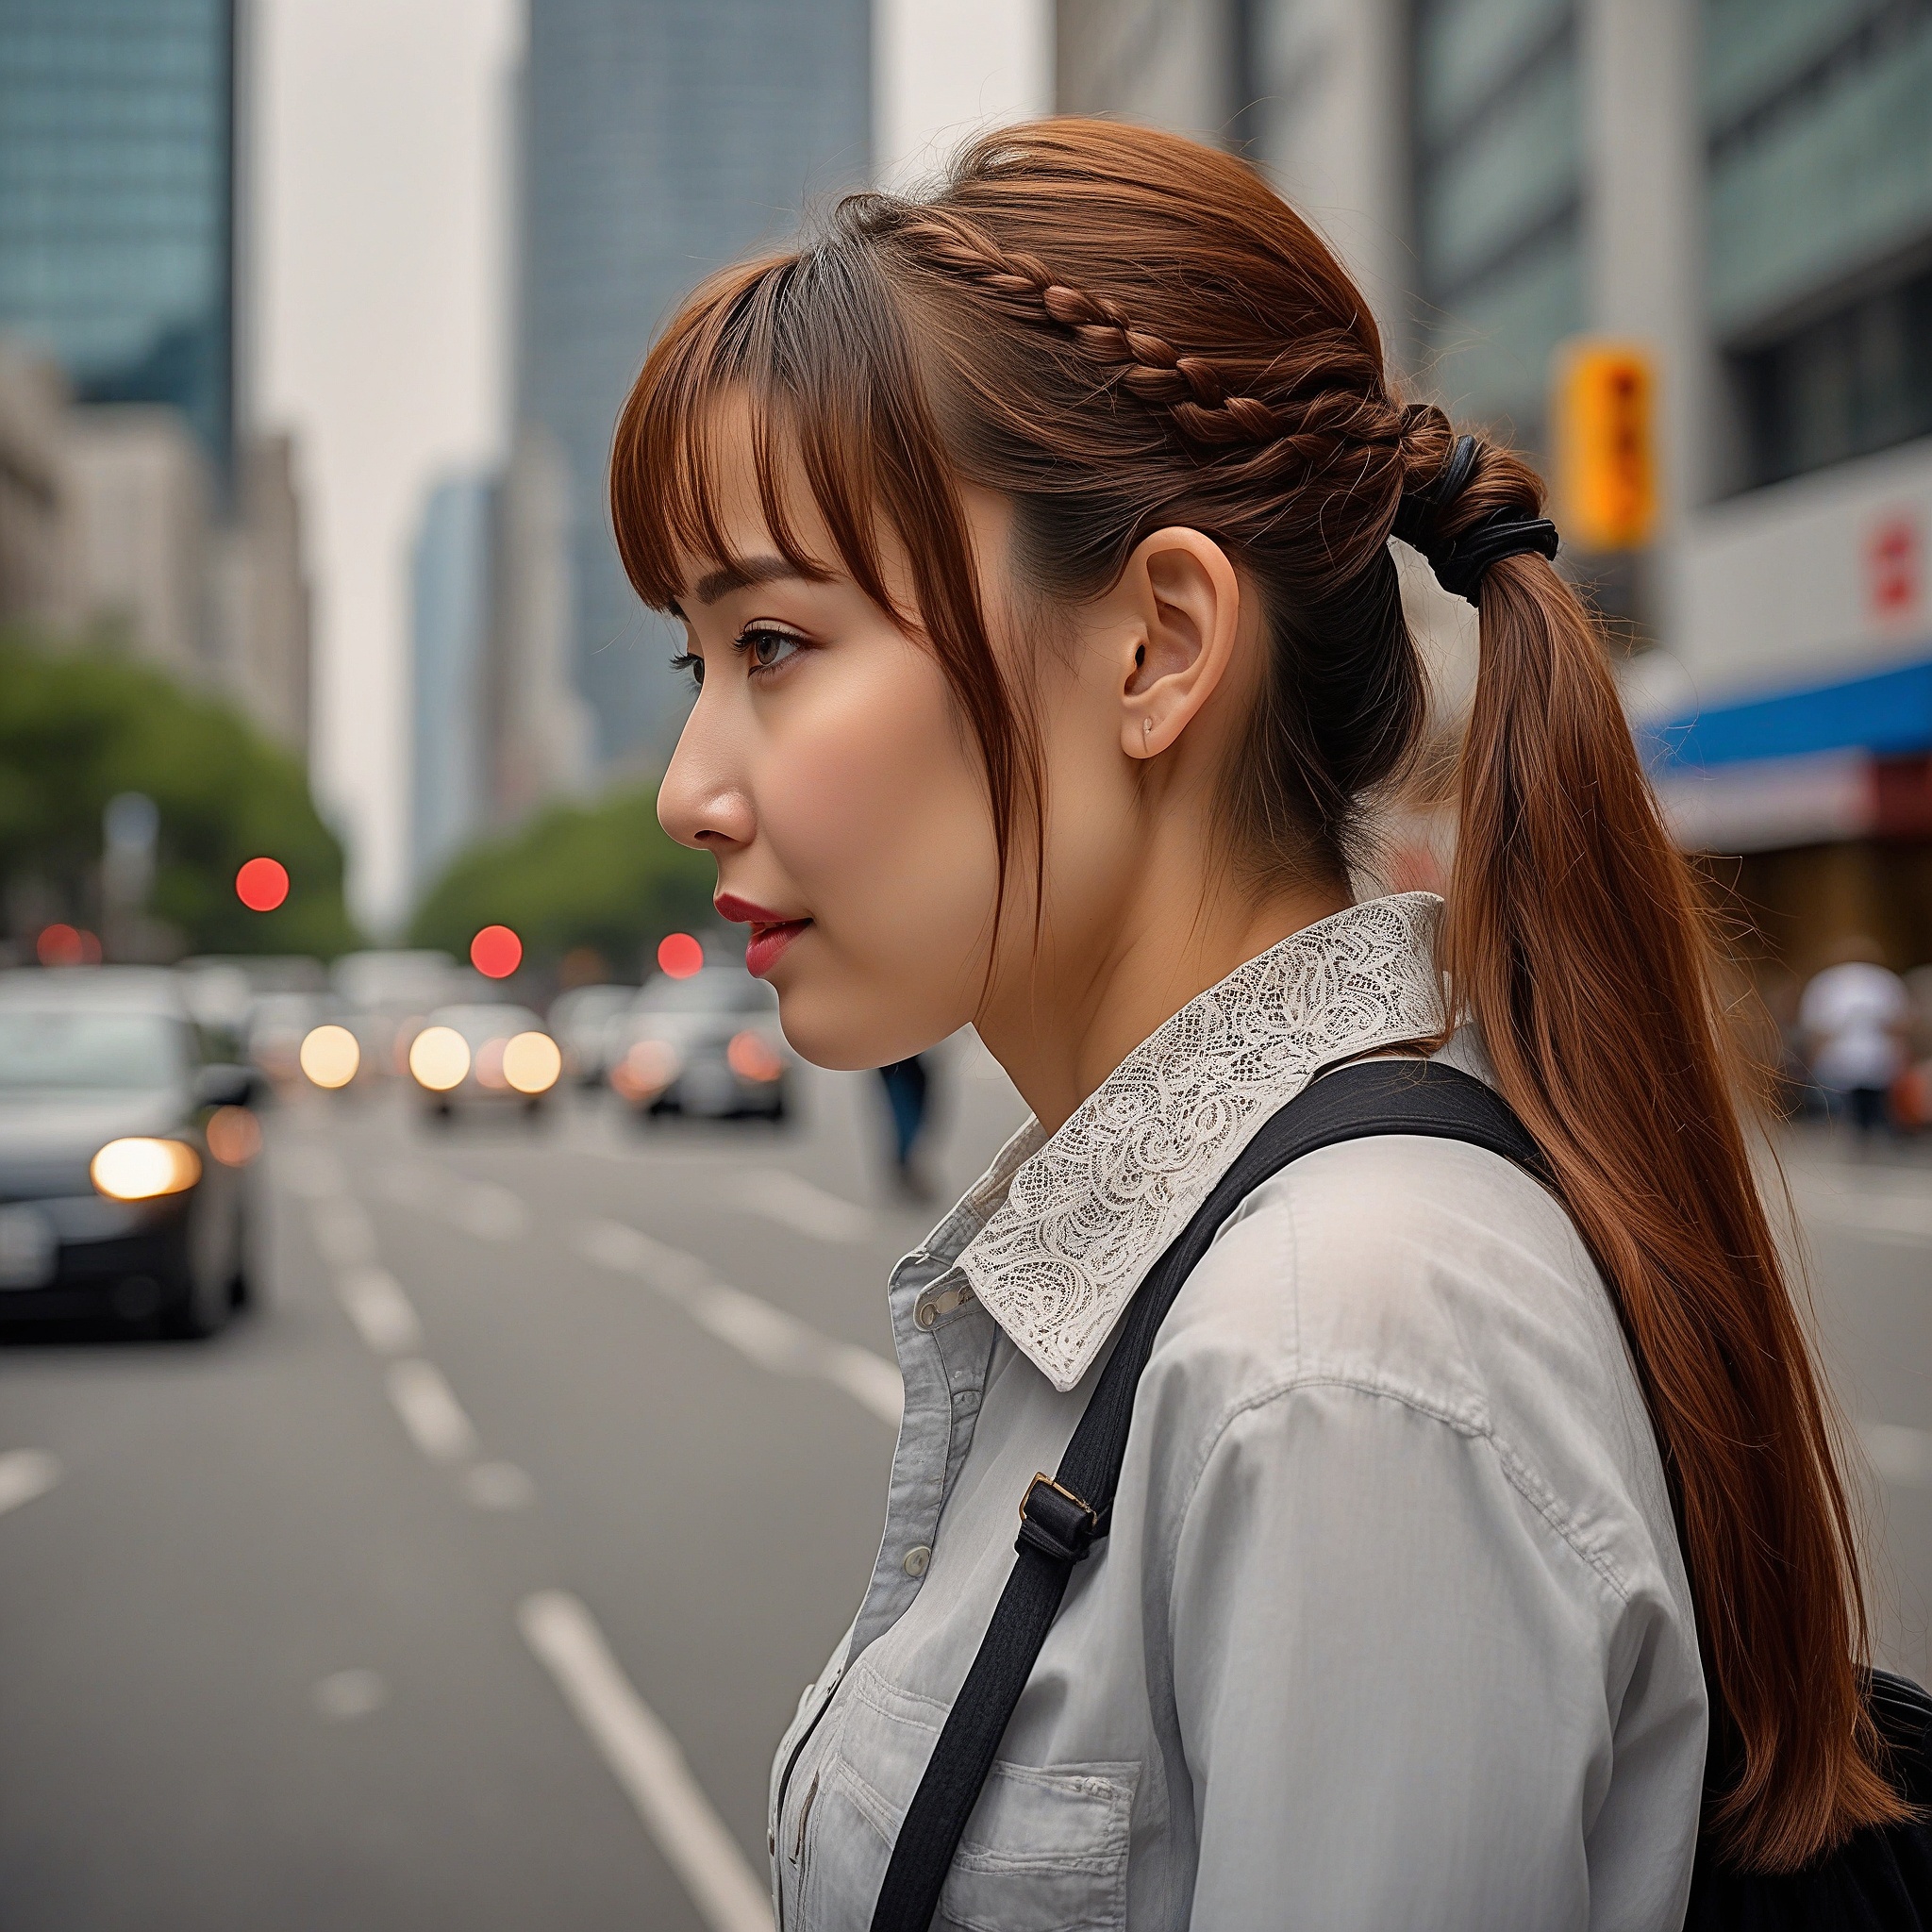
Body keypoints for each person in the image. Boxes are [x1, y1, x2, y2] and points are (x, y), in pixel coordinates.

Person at [614, 122, 1904, 1928]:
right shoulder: (1220, 1281)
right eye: (697, 659)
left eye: (773, 643)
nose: (690, 789)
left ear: (1152, 645)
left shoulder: (1334, 1350)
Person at [1800, 939, 1911, 1141]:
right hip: (1851, 1060)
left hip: (1863, 1061)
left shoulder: (1827, 982)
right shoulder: (1883, 981)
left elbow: (1815, 1029)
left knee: (1860, 1112)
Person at [874, 1054, 935, 1199]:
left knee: (916, 1091)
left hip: (908, 1049)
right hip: (889, 1050)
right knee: (905, 1100)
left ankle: (905, 1163)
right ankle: (904, 1163)